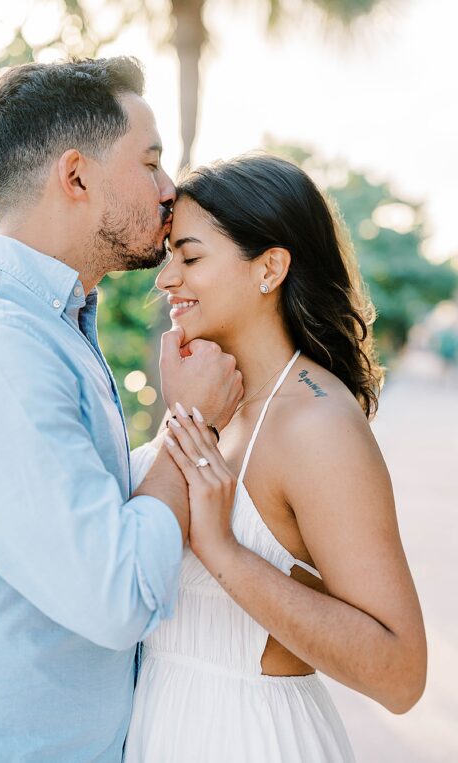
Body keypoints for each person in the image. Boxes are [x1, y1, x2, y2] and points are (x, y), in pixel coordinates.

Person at [0, 57, 243, 760]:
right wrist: (190, 426)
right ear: (77, 176)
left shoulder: (54, 324)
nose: (171, 189)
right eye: (150, 162)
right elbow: (119, 594)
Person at [123, 153, 427, 761]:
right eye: (167, 258)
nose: (165, 280)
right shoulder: (208, 396)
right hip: (163, 728)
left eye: (190, 256)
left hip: (249, 739)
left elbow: (400, 674)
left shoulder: (316, 425)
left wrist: (224, 552)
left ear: (270, 267)